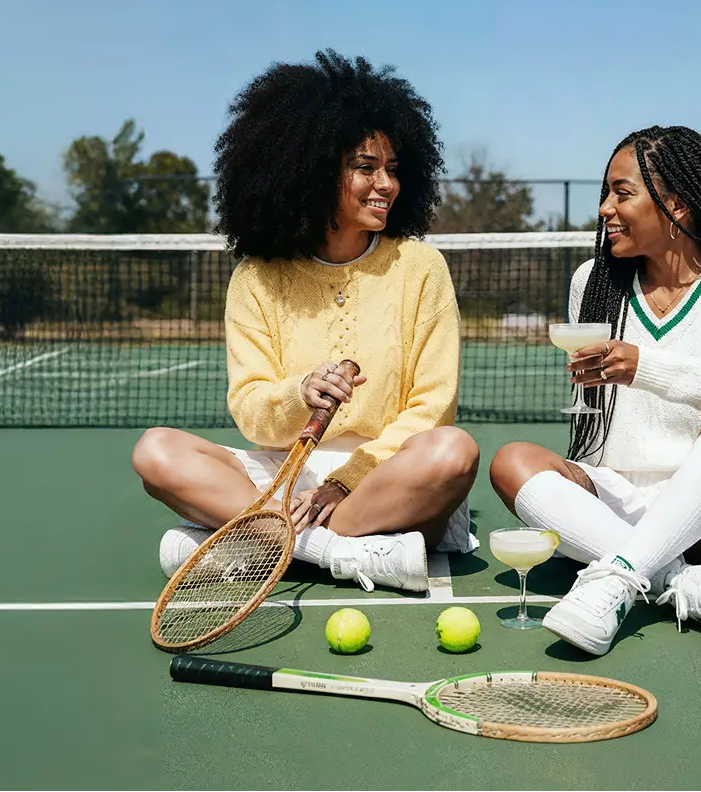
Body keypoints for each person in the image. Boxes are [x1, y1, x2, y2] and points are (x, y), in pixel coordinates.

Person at [130, 50, 479, 593]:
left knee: (454, 451)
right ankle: (328, 552)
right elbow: (251, 412)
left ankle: (251, 542)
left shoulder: (421, 266)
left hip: (383, 479)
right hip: (282, 477)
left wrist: (346, 480)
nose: (385, 184)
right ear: (311, 171)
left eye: (392, 169)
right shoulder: (256, 279)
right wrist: (300, 394)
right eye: (365, 168)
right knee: (155, 450)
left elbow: (433, 408)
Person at [489, 125, 701, 655]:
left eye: (622, 193)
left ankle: (617, 578)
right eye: (603, 194)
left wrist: (645, 367)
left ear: (677, 206)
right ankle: (678, 583)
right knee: (511, 461)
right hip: (620, 503)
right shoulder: (592, 283)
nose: (604, 210)